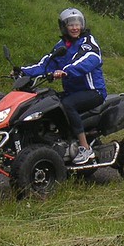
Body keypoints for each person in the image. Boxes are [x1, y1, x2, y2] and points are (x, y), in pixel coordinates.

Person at [20, 8, 107, 165]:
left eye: (77, 24)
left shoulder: (88, 43)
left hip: (93, 91)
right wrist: (22, 71)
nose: (75, 28)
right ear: (64, 27)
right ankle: (58, 140)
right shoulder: (61, 46)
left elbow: (88, 60)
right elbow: (45, 64)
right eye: (71, 25)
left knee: (68, 104)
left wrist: (66, 71)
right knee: (46, 101)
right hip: (72, 92)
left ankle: (85, 148)